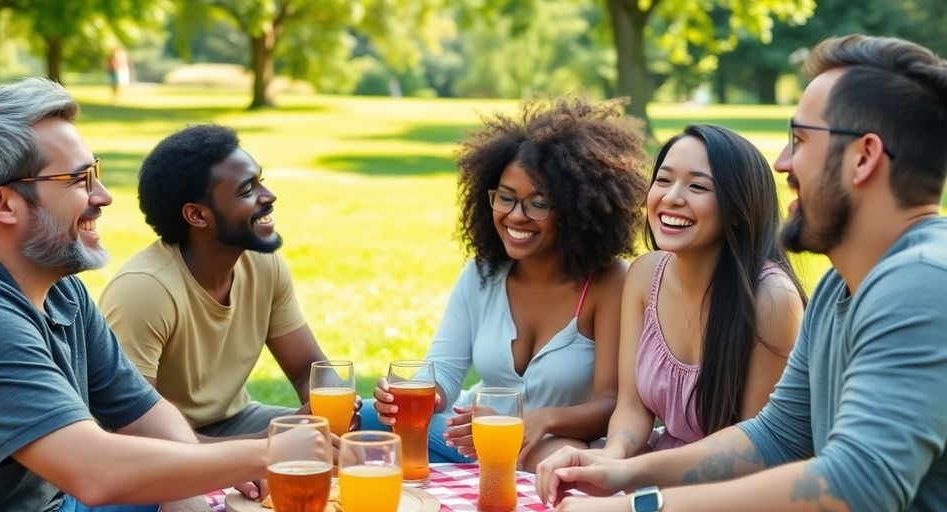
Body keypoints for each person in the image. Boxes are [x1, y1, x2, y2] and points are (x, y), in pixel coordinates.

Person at [536, 34, 947, 512]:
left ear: (863, 157)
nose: (782, 163)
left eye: (800, 140)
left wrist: (637, 507)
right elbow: (777, 435)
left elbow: (858, 483)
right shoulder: (844, 283)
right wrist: (624, 470)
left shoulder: (921, 282)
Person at [0, 78, 329, 512]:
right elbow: (95, 472)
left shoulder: (63, 291)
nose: (103, 196)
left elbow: (146, 415)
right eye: (79, 179)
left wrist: (195, 487)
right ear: (2, 204)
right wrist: (269, 455)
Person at [363, 97, 650, 470]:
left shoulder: (608, 282)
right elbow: (444, 373)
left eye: (538, 203)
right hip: (468, 437)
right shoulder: (482, 273)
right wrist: (419, 398)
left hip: (551, 448)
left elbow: (613, 402)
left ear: (578, 208)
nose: (516, 216)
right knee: (359, 417)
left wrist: (541, 419)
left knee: (568, 465)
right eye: (506, 198)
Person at [99, 124, 359, 439]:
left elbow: (307, 368)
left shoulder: (262, 263)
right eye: (247, 189)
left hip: (237, 422)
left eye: (260, 180)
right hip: (164, 440)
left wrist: (333, 408)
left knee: (377, 424)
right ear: (197, 215)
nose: (269, 195)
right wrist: (267, 445)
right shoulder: (144, 290)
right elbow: (134, 432)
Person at [598, 124, 805, 459]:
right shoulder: (644, 275)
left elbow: (753, 451)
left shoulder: (771, 299)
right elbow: (632, 407)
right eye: (663, 180)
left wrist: (636, 477)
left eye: (697, 186)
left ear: (737, 209)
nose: (671, 197)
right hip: (655, 471)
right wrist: (611, 457)